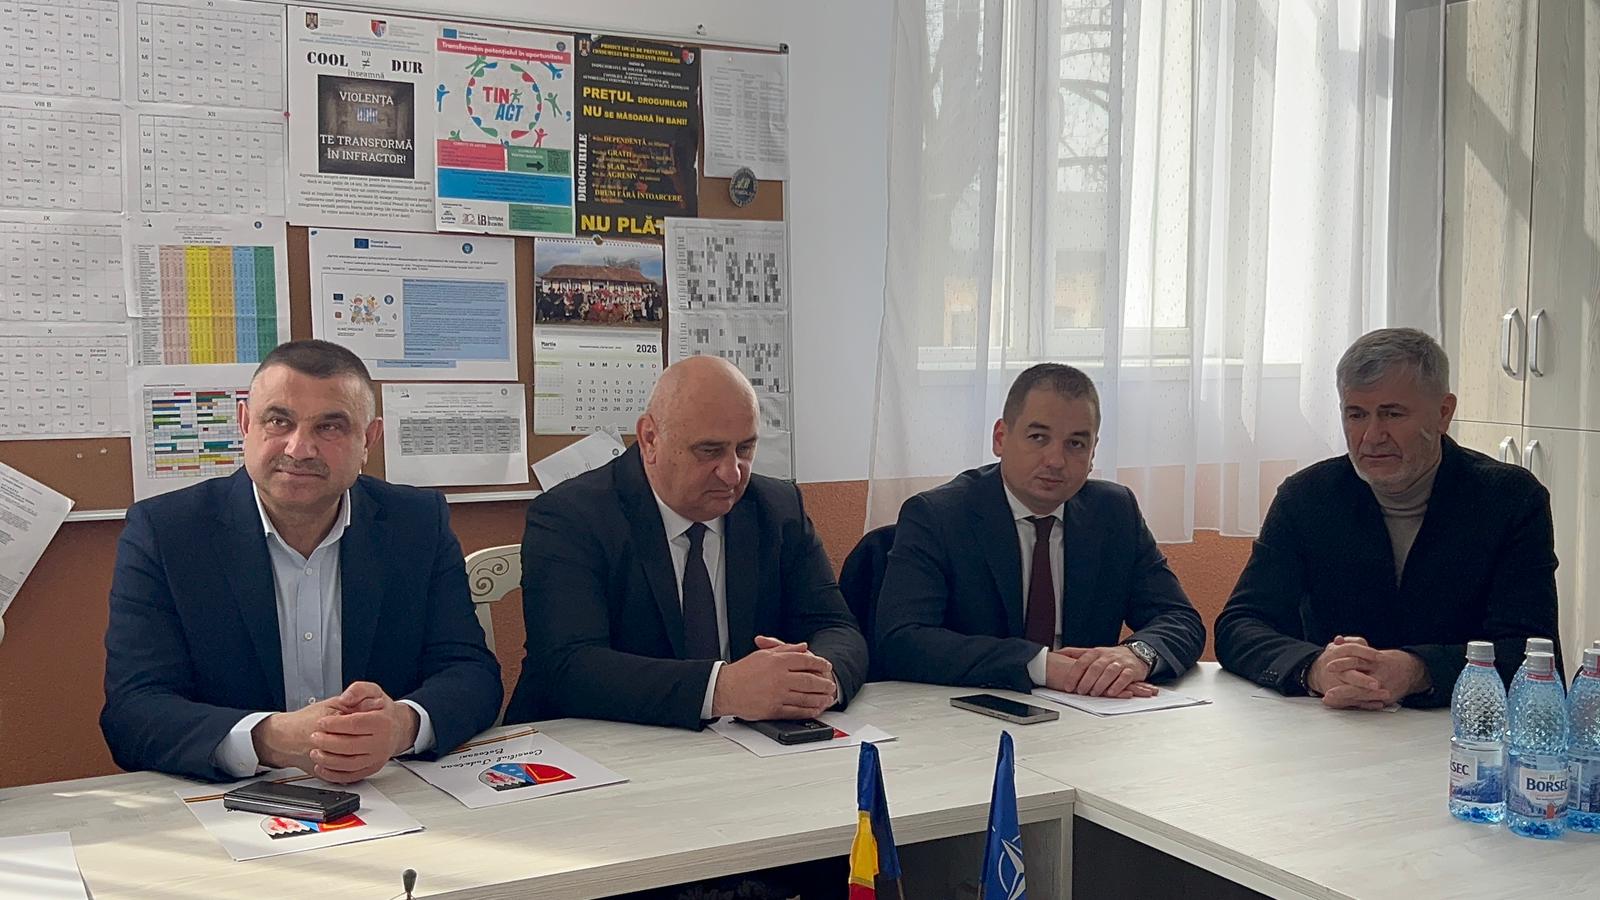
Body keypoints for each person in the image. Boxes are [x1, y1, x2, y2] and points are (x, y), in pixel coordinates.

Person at [101, 340, 502, 783]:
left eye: (330, 427)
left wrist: (401, 726)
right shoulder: (165, 533)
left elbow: (472, 673)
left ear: (368, 440)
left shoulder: (417, 524)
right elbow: (132, 713)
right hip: (232, 798)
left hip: (388, 788)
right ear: (245, 423)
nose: (299, 448)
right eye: (279, 421)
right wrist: (267, 738)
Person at [504, 356, 867, 728]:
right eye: (709, 451)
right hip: (596, 742)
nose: (732, 473)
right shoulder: (572, 516)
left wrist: (816, 680)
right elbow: (569, 666)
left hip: (742, 743)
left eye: (745, 449)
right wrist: (721, 689)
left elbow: (837, 627)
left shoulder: (777, 509)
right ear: (650, 439)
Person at [1216, 328, 1562, 709]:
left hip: (1458, 724)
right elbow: (1239, 626)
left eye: (1392, 414)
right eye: (1356, 415)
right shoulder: (1306, 497)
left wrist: (1418, 671)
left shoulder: (1511, 500)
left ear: (1443, 413)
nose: (1371, 436)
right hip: (1334, 721)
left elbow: (1533, 653)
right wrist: (1314, 668)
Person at [874, 363, 1205, 696]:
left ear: (1093, 453)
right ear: (1001, 438)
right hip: (971, 708)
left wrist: (1137, 655)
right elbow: (902, 639)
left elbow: (1180, 619)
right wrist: (1039, 665)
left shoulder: (1114, 513)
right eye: (1038, 438)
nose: (1056, 460)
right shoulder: (938, 516)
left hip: (1090, 713)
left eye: (1076, 444)